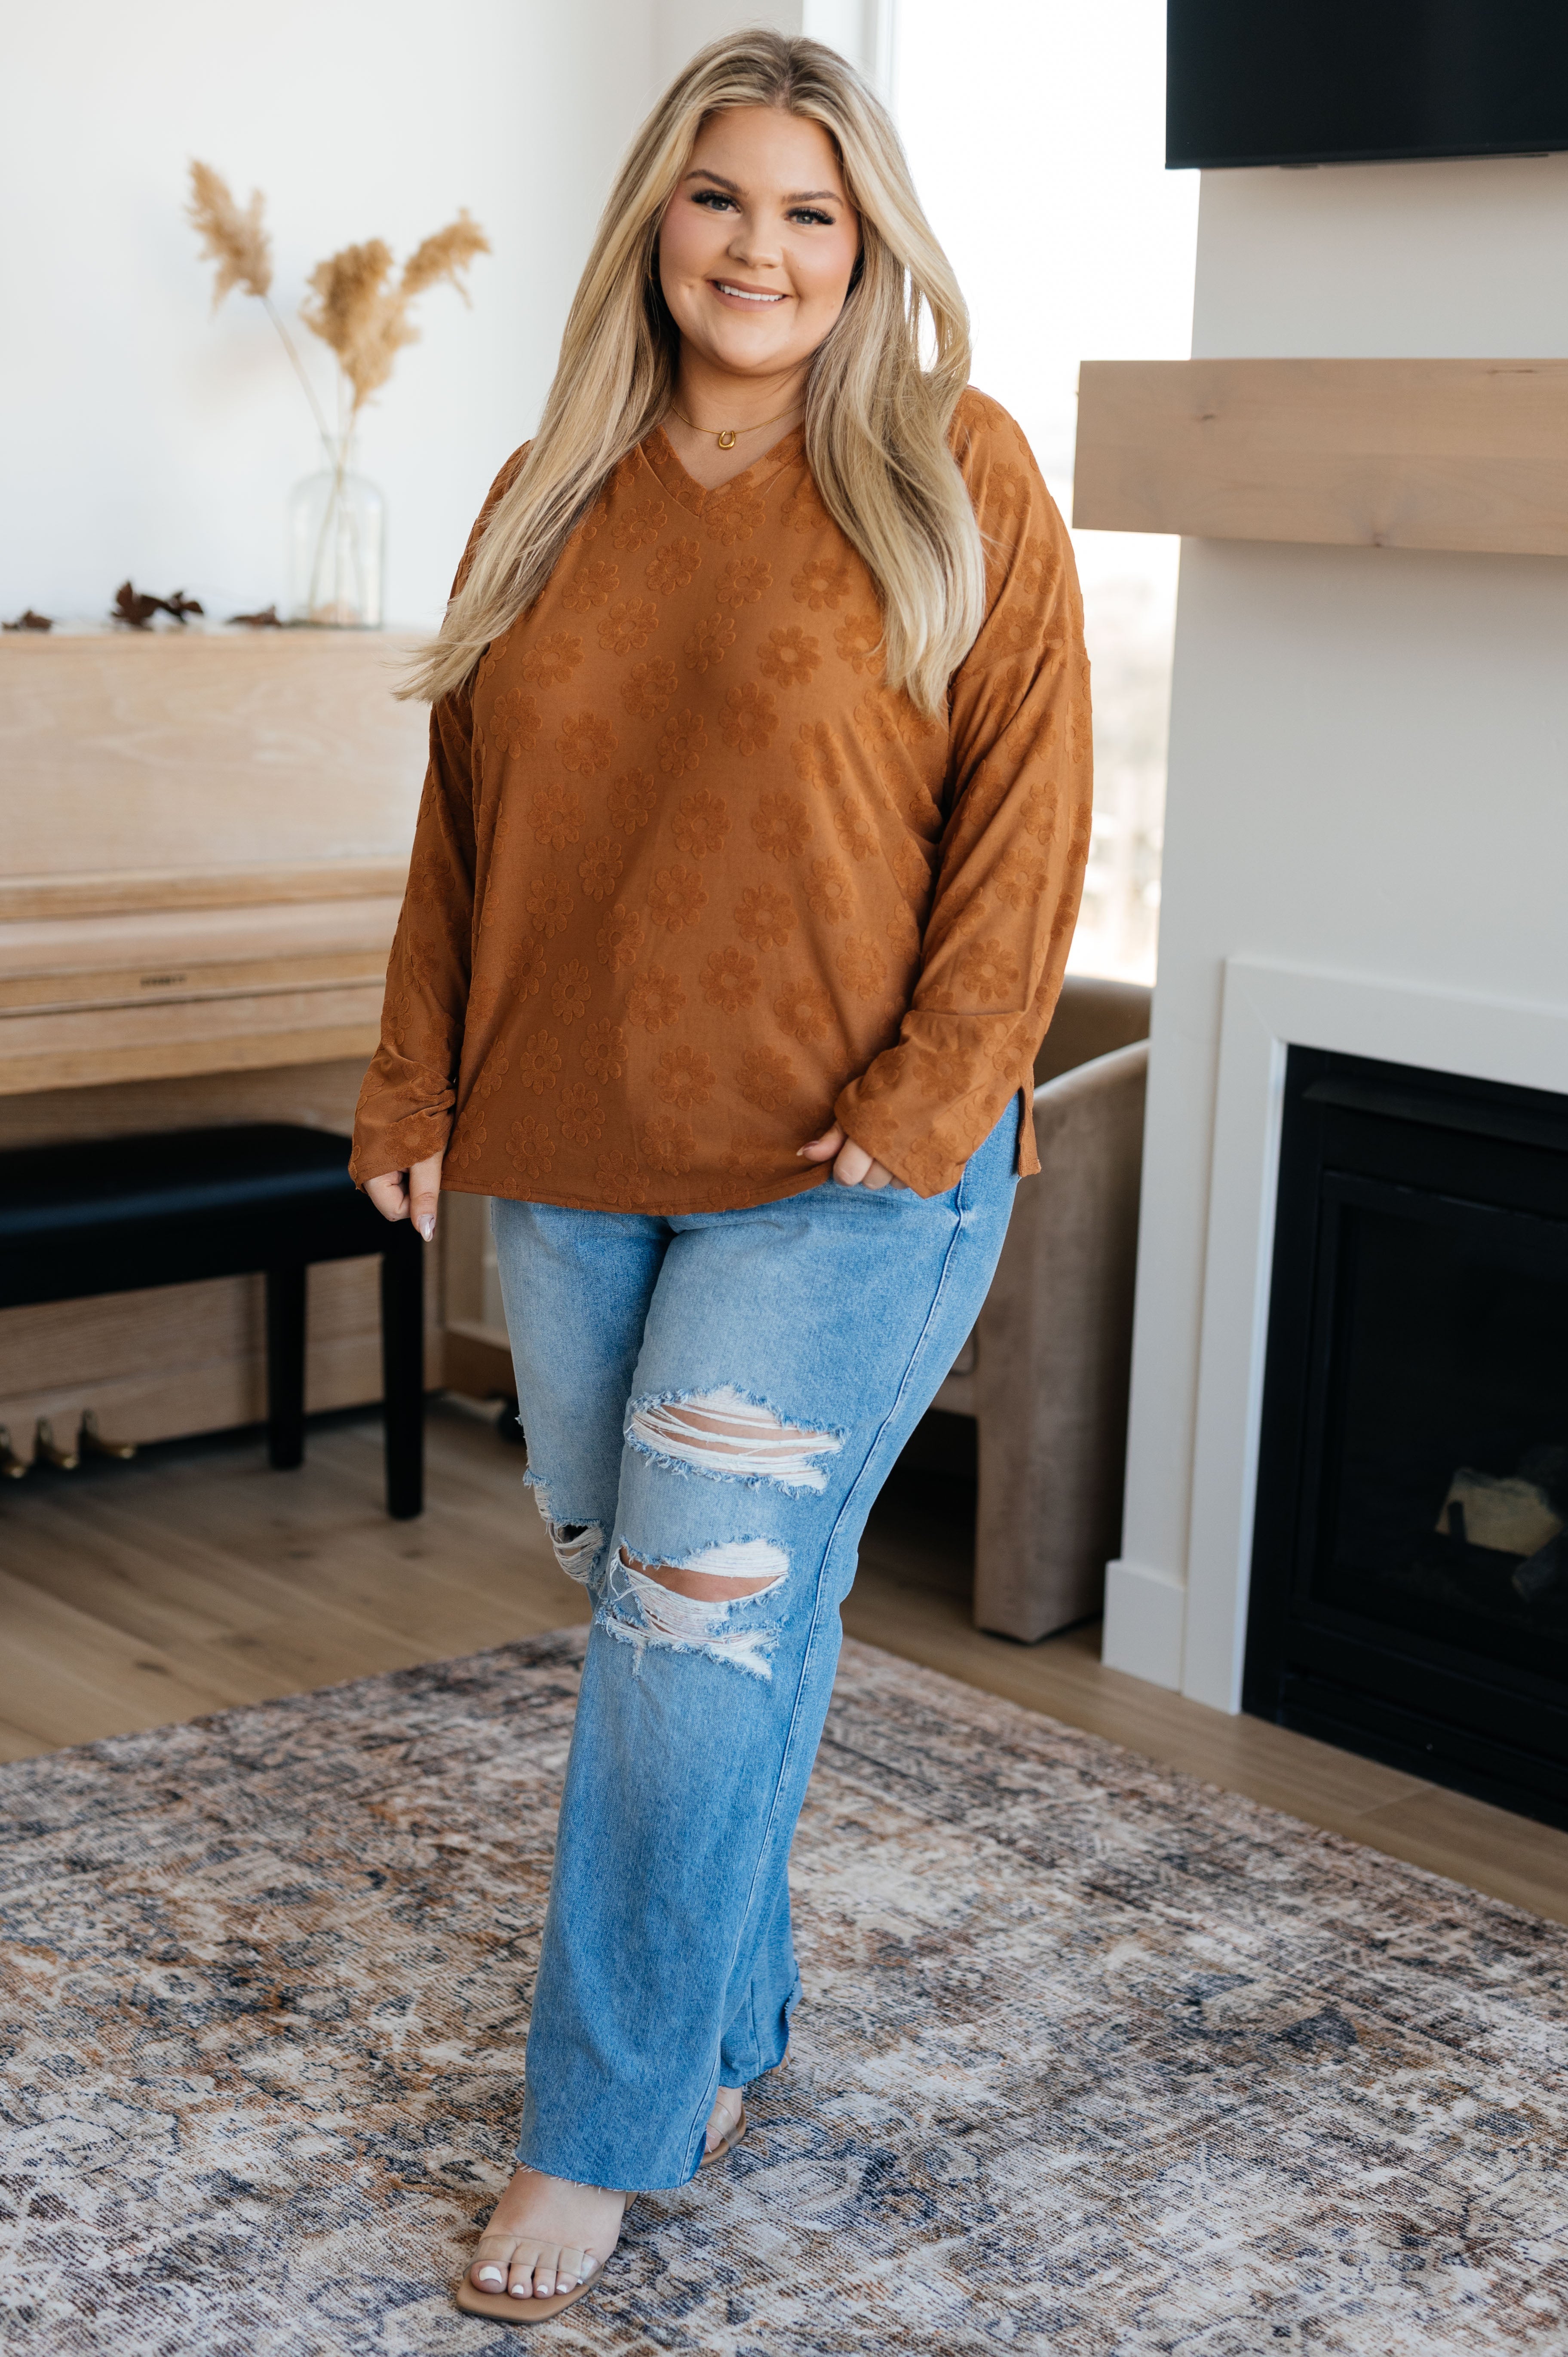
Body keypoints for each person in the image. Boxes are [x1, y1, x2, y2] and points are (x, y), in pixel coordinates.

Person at [352, 28, 1091, 2326]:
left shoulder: (956, 466)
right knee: (666, 1607)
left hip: (845, 1173)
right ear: (653, 223)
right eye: (718, 198)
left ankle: (597, 2130)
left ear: (868, 245)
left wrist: (936, 1094)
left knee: (689, 1639)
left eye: (808, 212)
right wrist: (409, 1088)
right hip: (576, 1149)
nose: (757, 249)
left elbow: (1032, 814)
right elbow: (467, 825)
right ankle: (730, 2027)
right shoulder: (547, 486)